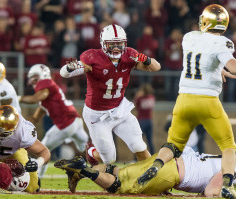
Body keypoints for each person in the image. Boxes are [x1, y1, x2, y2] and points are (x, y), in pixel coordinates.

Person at [136, 4, 236, 199]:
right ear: (223, 23)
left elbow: (202, 61)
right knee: (228, 146)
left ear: (205, 21)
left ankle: (155, 166)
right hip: (207, 101)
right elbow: (233, 65)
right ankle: (226, 185)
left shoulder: (189, 38)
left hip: (183, 99)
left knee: (173, 145)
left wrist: (220, 71)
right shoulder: (222, 43)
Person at [60, 24, 161, 165]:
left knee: (139, 146)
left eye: (119, 44)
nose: (116, 48)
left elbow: (156, 67)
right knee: (109, 159)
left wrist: (147, 60)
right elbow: (64, 73)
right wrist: (70, 67)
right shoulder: (92, 57)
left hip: (119, 109)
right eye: (112, 44)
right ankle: (91, 151)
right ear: (103, 44)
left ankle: (154, 181)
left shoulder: (129, 55)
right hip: (97, 114)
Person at [54, 146, 236, 197]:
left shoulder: (220, 158)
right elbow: (209, 193)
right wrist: (234, 193)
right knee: (119, 187)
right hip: (171, 175)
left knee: (119, 172)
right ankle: (83, 170)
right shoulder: (234, 171)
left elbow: (186, 151)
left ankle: (80, 168)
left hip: (165, 163)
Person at [18, 64, 89, 178]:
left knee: (43, 149)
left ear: (42, 75)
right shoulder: (48, 94)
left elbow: (36, 98)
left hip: (66, 123)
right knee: (84, 145)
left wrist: (19, 98)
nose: (32, 81)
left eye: (35, 77)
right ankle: (93, 163)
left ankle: (37, 177)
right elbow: (35, 118)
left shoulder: (45, 85)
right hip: (75, 121)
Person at [0, 105, 51, 193]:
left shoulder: (22, 131)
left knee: (32, 187)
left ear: (15, 128)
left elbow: (44, 151)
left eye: (4, 133)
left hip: (12, 153)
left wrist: (37, 163)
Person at [134, 83, 155, 154]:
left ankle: (136, 158)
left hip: (141, 120)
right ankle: (152, 156)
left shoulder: (140, 98)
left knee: (138, 140)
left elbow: (136, 107)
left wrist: (137, 96)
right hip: (149, 120)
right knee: (150, 141)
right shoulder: (152, 97)